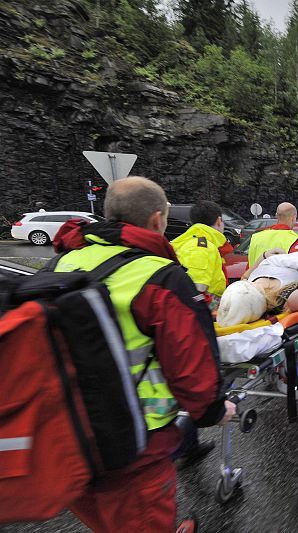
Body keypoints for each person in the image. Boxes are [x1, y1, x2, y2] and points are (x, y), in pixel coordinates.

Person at [51, 176, 236, 533]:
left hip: (66, 432)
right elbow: (191, 363)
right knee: (141, 519)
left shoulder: (61, 263)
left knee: (104, 517)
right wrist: (214, 410)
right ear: (157, 219)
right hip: (135, 441)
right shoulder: (159, 276)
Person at [170, 200, 233, 467]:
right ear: (218, 221)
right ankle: (183, 444)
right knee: (208, 378)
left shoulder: (185, 241)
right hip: (200, 315)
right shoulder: (201, 245)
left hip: (187, 316)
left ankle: (188, 445)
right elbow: (196, 290)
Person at [171, 200, 232, 305]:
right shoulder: (202, 247)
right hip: (204, 309)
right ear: (219, 221)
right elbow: (196, 292)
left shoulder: (196, 243)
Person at [248, 202, 298, 267]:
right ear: (293, 218)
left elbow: (248, 267)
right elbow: (297, 268)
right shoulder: (294, 240)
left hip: (255, 273)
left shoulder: (256, 237)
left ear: (276, 215)